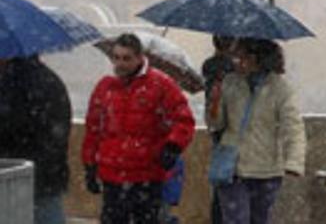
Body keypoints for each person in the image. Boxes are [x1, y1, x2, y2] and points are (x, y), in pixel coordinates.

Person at [82, 33, 196, 224]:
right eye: (116, 58)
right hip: (112, 175)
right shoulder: (105, 87)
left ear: (140, 58)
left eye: (126, 58)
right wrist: (89, 165)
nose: (120, 63)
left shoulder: (161, 84)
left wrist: (173, 146)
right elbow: (94, 129)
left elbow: (183, 119)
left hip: (146, 176)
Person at [207, 37, 306, 224]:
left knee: (260, 219)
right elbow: (216, 124)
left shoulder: (280, 89)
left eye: (240, 57)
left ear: (256, 58)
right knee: (236, 219)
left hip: (266, 169)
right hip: (233, 168)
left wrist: (294, 161)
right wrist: (214, 103)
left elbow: (293, 126)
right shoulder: (230, 83)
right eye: (235, 57)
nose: (235, 62)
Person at [0, 55, 72, 224]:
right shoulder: (49, 80)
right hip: (47, 173)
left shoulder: (16, 84)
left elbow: (11, 123)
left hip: (22, 172)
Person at [202, 35, 236, 224]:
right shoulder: (232, 71)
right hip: (233, 134)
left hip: (219, 134)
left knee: (221, 186)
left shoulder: (210, 68)